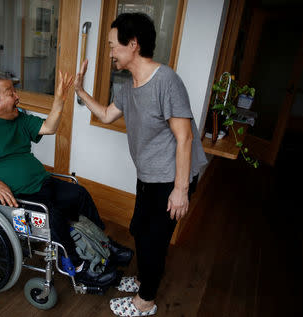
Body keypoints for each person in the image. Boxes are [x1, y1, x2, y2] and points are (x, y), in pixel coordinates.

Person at [74, 12, 208, 316]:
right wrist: (80, 91)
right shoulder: (129, 85)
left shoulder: (166, 81)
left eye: (112, 46)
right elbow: (107, 114)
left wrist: (180, 190)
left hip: (172, 178)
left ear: (133, 44)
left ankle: (146, 301)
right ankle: (145, 278)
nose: (109, 53)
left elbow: (184, 138)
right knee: (139, 229)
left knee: (153, 239)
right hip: (149, 175)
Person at [0, 72, 132, 287]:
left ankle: (103, 244)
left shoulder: (16, 116)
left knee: (79, 194)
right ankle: (78, 268)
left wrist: (59, 100)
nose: (17, 96)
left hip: (42, 183)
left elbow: (49, 127)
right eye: (10, 93)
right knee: (52, 217)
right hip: (15, 198)